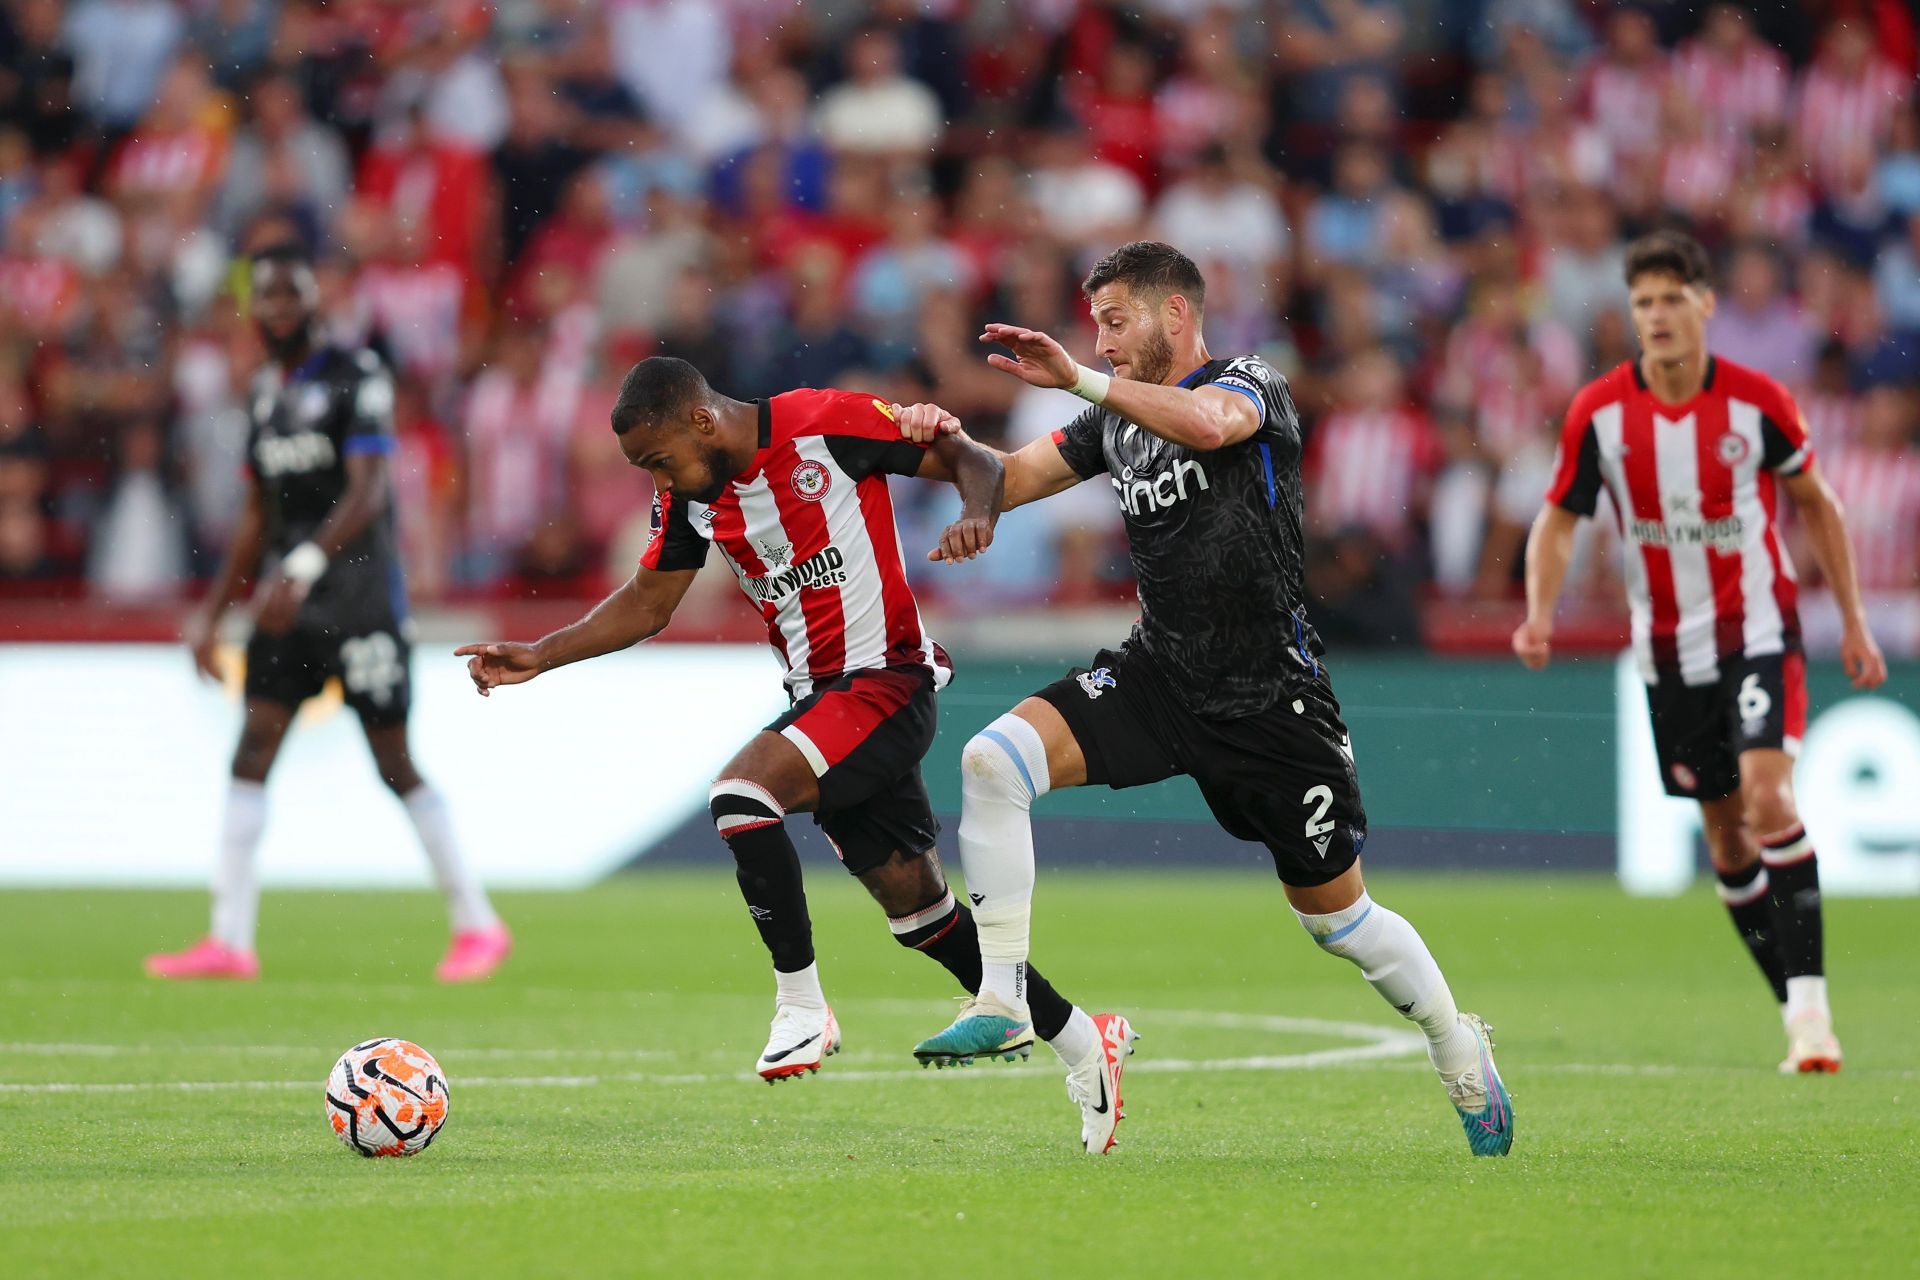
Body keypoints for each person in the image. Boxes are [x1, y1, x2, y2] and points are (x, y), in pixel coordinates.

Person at [902, 242, 1514, 1157]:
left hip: (1274, 703)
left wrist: (1077, 378)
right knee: (993, 760)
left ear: (1175, 315)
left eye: (1118, 321)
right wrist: (903, 436)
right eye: (1096, 325)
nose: (1103, 343)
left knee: (1340, 923)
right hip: (1161, 678)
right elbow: (1007, 474)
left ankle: (1456, 1043)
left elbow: (1213, 427)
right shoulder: (1109, 420)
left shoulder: (1252, 380)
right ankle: (1002, 998)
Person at [457, 358, 1124, 1131]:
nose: (656, 479)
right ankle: (1085, 1043)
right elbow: (649, 602)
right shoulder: (688, 495)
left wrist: (979, 511)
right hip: (821, 701)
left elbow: (969, 457)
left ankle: (801, 1004)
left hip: (885, 683)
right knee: (921, 915)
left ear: (701, 422)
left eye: (658, 460)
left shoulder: (821, 423)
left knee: (742, 796)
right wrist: (542, 654)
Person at [1514, 230, 1888, 1074]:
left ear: (1704, 306)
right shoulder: (1599, 413)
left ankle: (1813, 1014)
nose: (1657, 315)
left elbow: (1818, 505)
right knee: (1725, 839)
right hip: (1667, 654)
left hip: (1758, 633)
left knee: (1767, 797)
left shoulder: (1758, 402)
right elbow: (1560, 516)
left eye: (1671, 299)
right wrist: (1539, 612)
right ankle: (1793, 1007)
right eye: (1643, 302)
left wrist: (1855, 621)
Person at [146, 243, 510, 983]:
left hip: (357, 600)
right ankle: (229, 941)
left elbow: (371, 488)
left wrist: (306, 562)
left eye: (293, 295)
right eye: (268, 297)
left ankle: (478, 925)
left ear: (317, 301)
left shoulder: (357, 374)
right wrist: (212, 615)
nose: (280, 309)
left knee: (393, 761)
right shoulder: (262, 394)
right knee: (251, 751)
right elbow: (256, 512)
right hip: (287, 612)